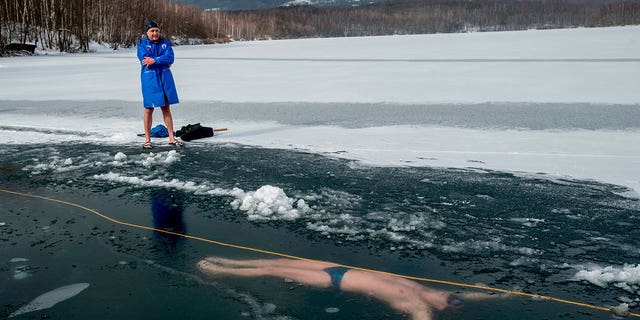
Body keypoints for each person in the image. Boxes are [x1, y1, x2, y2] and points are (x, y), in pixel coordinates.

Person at [197, 257, 507, 320]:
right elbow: (469, 295)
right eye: (454, 299)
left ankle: (220, 270)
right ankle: (227, 260)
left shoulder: (420, 308)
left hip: (335, 280)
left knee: (273, 270)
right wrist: (505, 294)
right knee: (281, 260)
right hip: (339, 267)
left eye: (452, 304)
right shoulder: (434, 295)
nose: (451, 299)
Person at [137, 20, 181, 149]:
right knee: (148, 109)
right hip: (150, 79)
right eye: (152, 31)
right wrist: (162, 61)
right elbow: (144, 60)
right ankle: (147, 139)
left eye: (156, 31)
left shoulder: (165, 43)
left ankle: (171, 138)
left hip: (164, 78)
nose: (155, 33)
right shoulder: (142, 44)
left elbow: (170, 58)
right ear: (147, 32)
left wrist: (155, 60)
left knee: (166, 108)